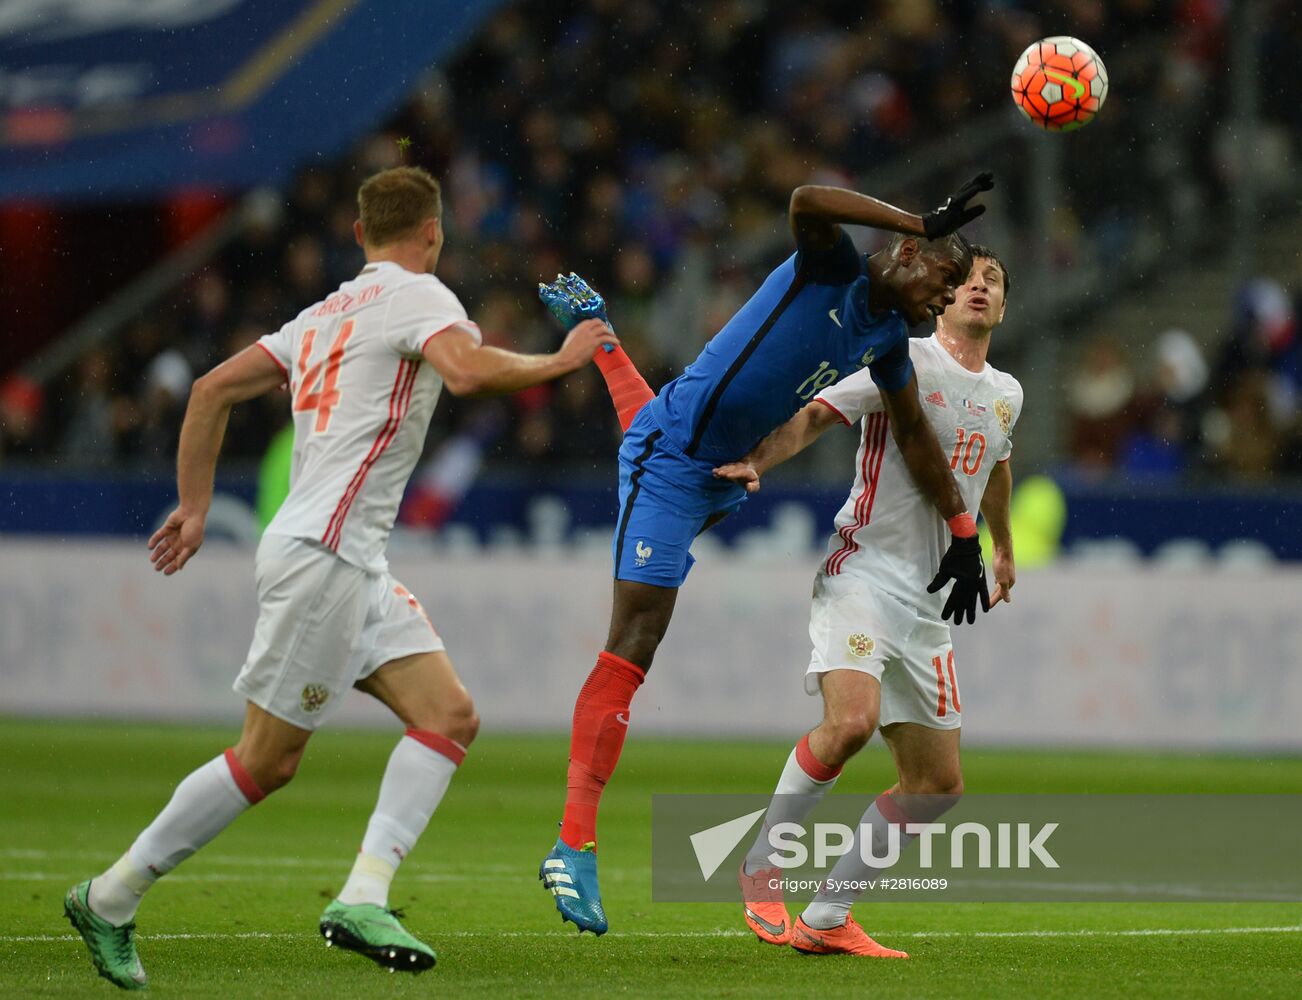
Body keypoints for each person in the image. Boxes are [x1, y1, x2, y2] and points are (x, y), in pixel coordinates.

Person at [63, 165, 618, 990]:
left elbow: (212, 390)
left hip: (348, 559)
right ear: (433, 232)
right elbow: (465, 373)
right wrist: (563, 356)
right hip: (324, 555)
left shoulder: (322, 315)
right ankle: (111, 895)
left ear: (358, 235)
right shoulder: (421, 296)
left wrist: (192, 506)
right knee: (267, 759)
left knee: (449, 715)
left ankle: (364, 893)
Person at [538, 175, 997, 935]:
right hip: (674, 467)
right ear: (909, 251)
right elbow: (807, 197)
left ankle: (603, 336)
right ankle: (572, 845)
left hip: (723, 472)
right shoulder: (832, 268)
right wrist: (916, 210)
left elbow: (913, 432)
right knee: (636, 639)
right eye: (943, 283)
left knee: (670, 425)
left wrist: (958, 526)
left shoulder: (885, 338)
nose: (942, 304)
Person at [716, 247, 1021, 958]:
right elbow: (817, 415)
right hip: (863, 573)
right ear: (943, 298)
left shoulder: (1007, 391)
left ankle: (826, 919)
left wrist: (1003, 548)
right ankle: (763, 864)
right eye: (970, 276)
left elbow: (999, 463)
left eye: (995, 280)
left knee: (937, 783)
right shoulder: (900, 357)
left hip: (928, 602)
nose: (980, 285)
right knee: (849, 724)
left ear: (1003, 309)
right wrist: (758, 461)